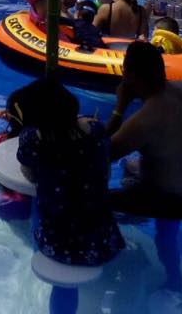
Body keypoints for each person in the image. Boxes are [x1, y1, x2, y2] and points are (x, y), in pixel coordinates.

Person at [107, 42, 182, 269]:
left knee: (97, 201)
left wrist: (120, 107)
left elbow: (102, 154)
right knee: (131, 165)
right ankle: (144, 207)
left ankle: (125, 250)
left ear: (130, 75)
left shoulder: (146, 118)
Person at [15, 79, 125, 267]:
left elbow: (30, 175)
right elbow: (105, 172)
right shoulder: (96, 130)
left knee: (37, 206)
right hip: (105, 243)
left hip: (57, 247)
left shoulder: (33, 140)